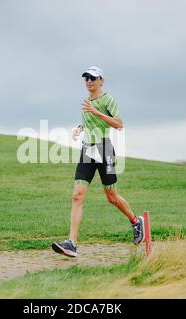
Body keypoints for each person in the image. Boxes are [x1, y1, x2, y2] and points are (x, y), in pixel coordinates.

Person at [51, 66, 144, 258]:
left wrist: (97, 111)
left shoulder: (108, 99)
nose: (89, 82)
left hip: (104, 149)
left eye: (93, 78)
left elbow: (119, 124)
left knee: (111, 197)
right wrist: (79, 129)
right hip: (87, 150)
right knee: (77, 195)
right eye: (86, 78)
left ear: (101, 80)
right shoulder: (85, 102)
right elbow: (87, 122)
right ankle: (71, 243)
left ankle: (136, 222)